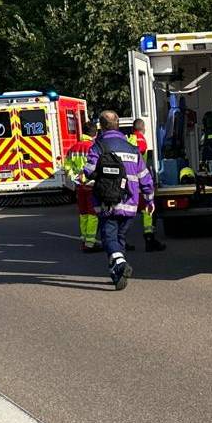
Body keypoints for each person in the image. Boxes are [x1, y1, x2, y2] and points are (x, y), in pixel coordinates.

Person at [84, 110, 154, 290]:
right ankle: (117, 275)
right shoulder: (132, 149)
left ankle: (121, 265)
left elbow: (88, 170)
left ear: (101, 126)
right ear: (118, 125)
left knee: (108, 238)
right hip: (130, 203)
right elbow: (145, 177)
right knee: (119, 238)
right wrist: (149, 200)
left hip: (106, 202)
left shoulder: (98, 146)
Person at [127, 118, 166, 252]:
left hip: (128, 181)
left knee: (126, 211)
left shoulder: (128, 139)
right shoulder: (140, 139)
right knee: (147, 209)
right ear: (142, 128)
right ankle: (149, 239)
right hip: (139, 180)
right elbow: (141, 152)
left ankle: (122, 240)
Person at [63, 122, 99, 253]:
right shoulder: (94, 147)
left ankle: (84, 239)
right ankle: (90, 242)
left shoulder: (73, 148)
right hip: (91, 186)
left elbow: (67, 167)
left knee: (83, 214)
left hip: (80, 187)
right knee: (93, 214)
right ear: (95, 134)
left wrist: (76, 180)